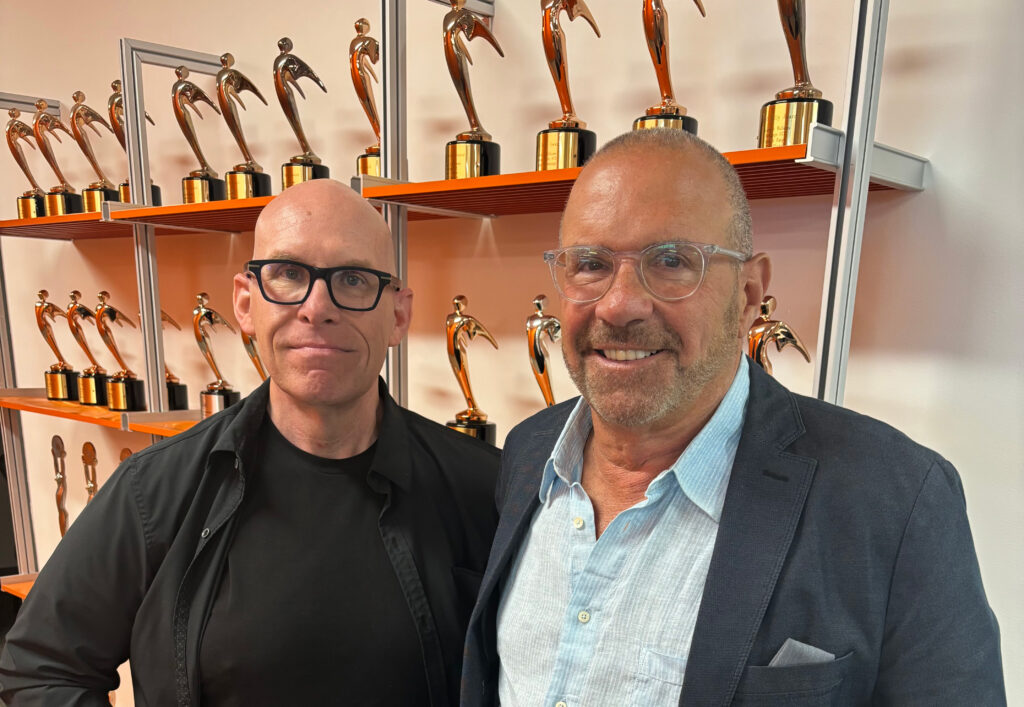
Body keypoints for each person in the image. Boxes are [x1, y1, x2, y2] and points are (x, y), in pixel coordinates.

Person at [461, 129, 1004, 706]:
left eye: (671, 261)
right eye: (591, 264)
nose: (619, 305)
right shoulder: (528, 454)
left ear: (748, 295)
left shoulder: (894, 498)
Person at [0, 179, 500, 706]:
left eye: (353, 279)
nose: (317, 307)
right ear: (245, 302)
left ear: (397, 314)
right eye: (288, 274)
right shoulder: (155, 493)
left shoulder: (485, 488)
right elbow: (41, 669)